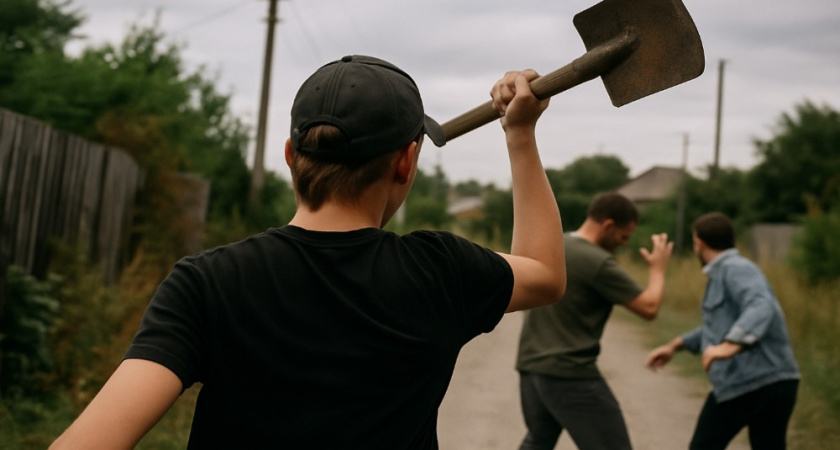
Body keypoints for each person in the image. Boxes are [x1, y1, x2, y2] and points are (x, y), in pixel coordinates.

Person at [49, 55, 566, 449]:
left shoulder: (207, 283)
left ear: (291, 156)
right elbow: (545, 273)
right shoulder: (441, 272)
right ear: (406, 163)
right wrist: (520, 135)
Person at [516, 191, 673, 450]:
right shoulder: (597, 261)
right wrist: (657, 270)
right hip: (569, 374)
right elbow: (649, 307)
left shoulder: (554, 245)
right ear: (608, 225)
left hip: (531, 369)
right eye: (624, 237)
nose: (624, 244)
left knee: (538, 442)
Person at [646, 212, 800, 450]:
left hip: (749, 382)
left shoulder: (735, 268)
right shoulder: (729, 271)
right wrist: (675, 346)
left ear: (699, 243)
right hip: (775, 381)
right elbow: (717, 329)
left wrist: (729, 346)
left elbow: (761, 305)